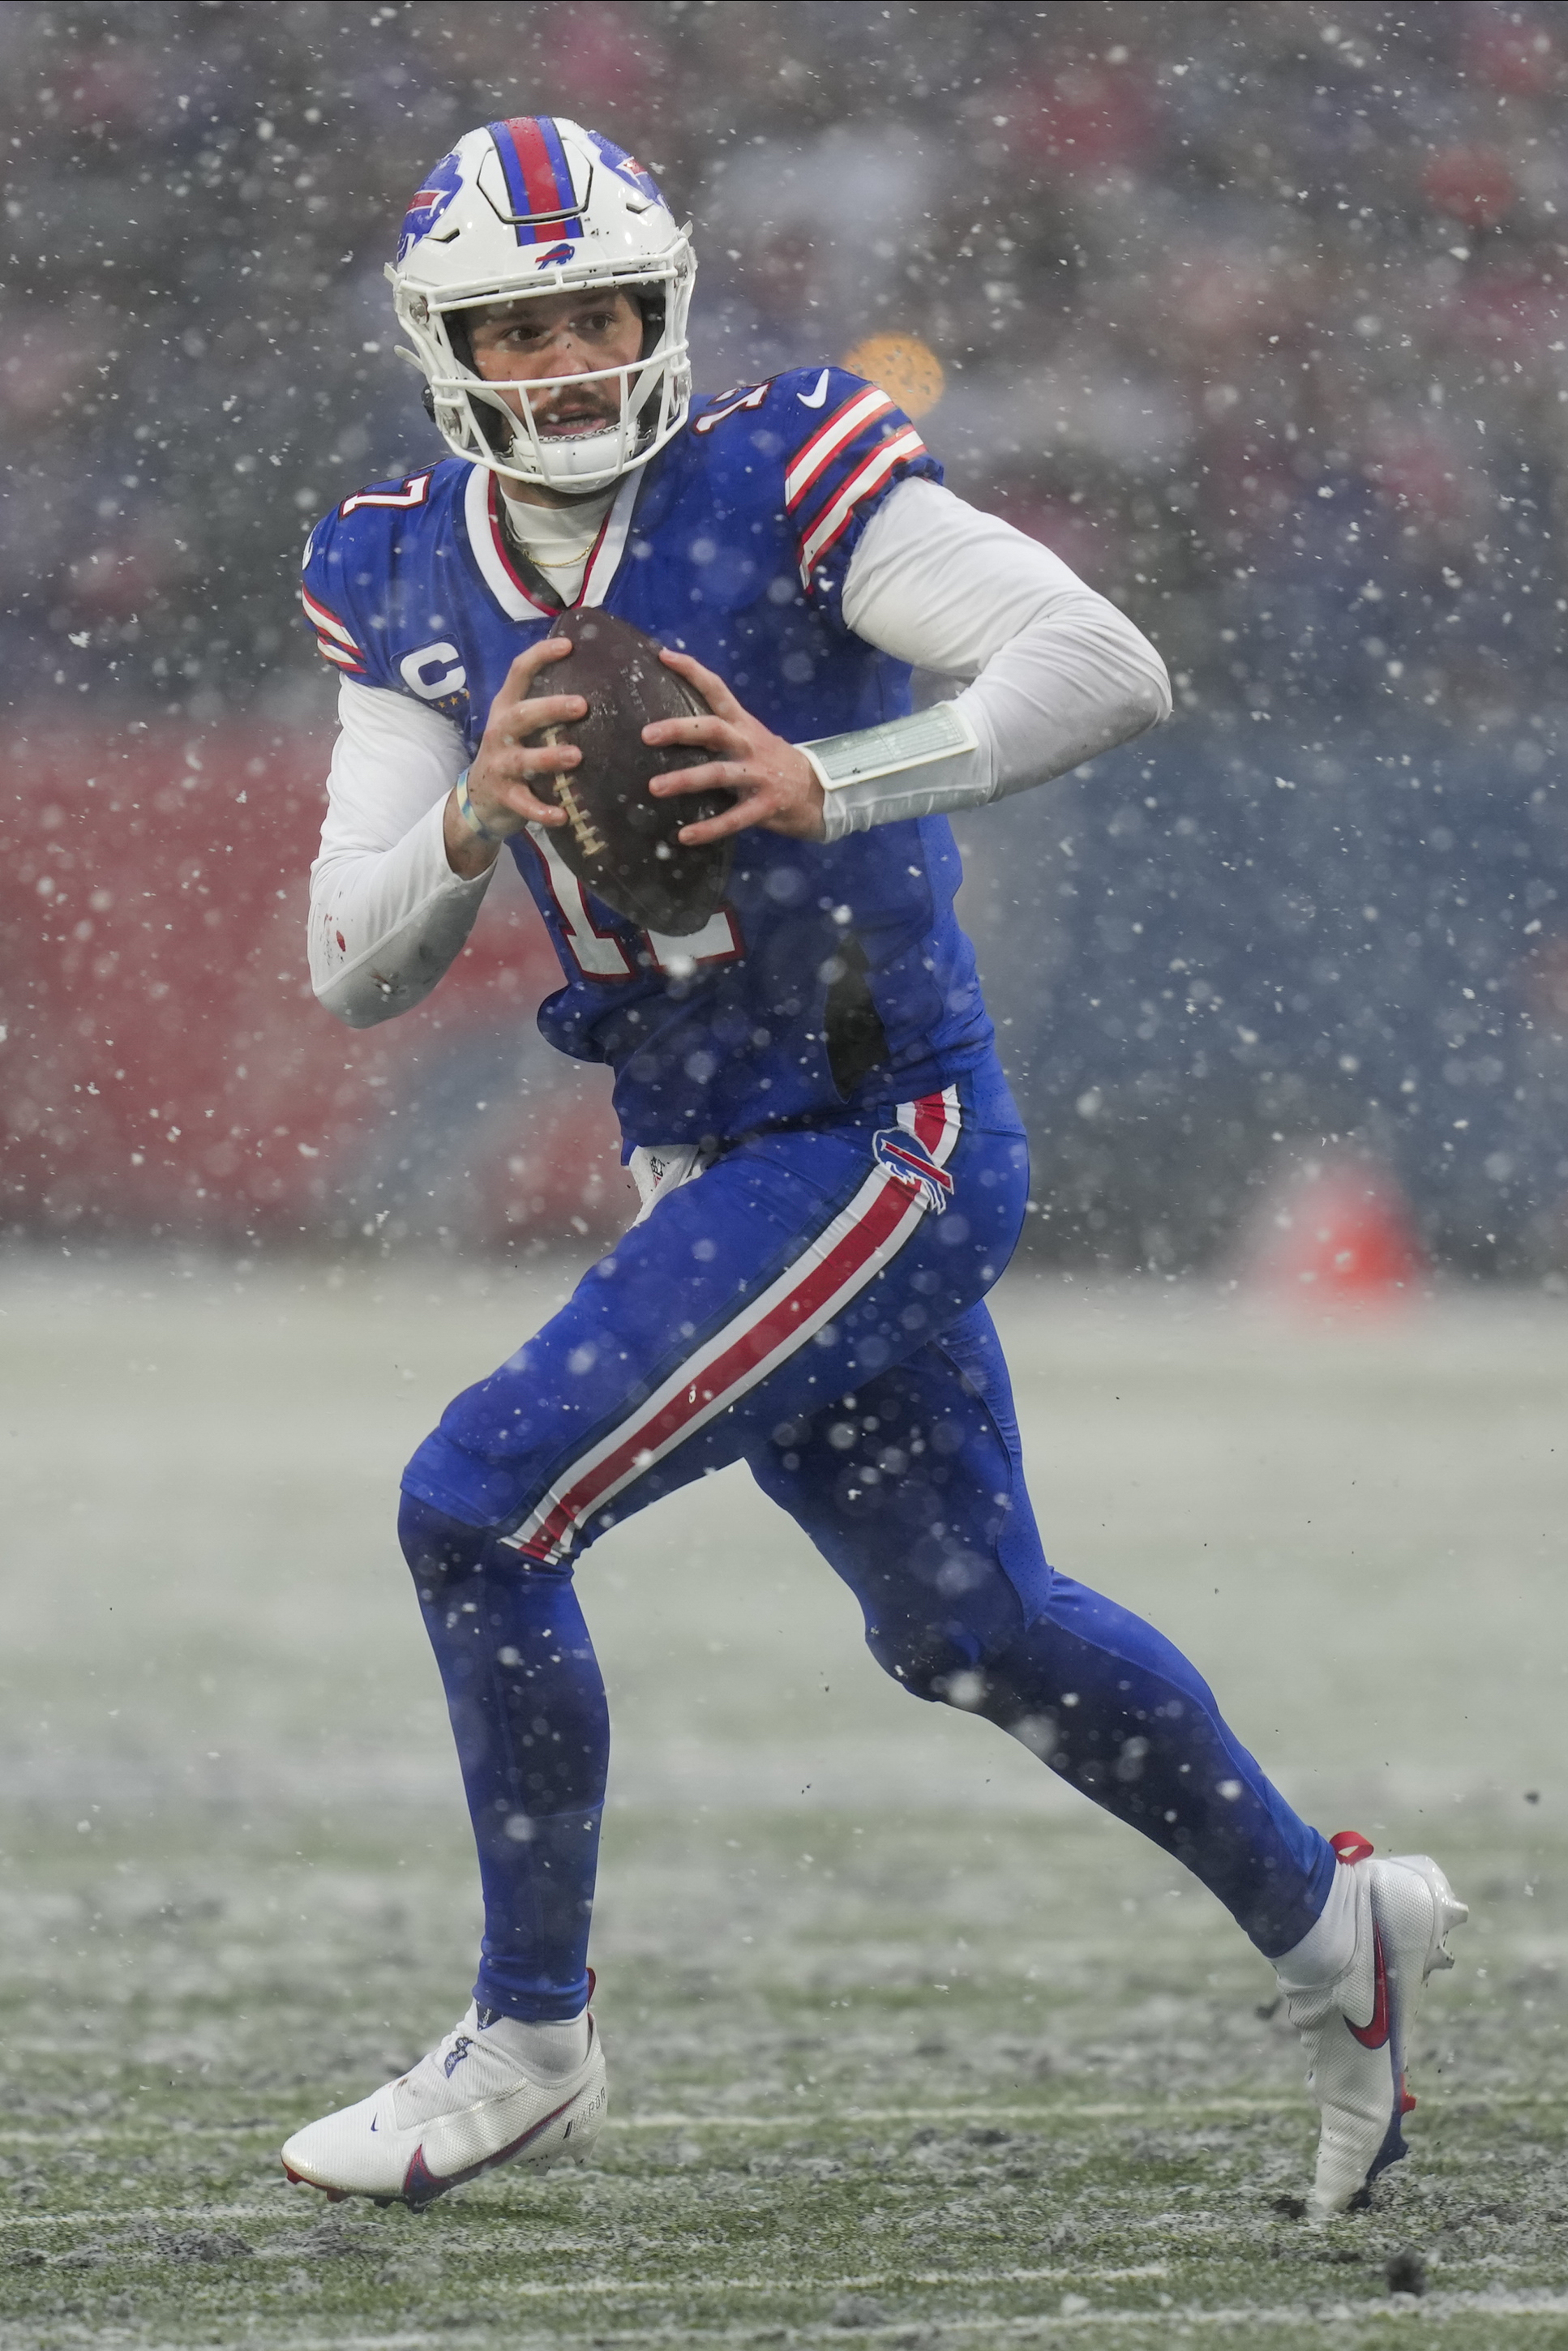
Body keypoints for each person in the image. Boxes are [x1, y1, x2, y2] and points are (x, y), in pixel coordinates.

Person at [282, 116, 1465, 2220]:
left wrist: (826, 772)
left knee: (479, 1500)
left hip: (877, 1127)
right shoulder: (400, 567)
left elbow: (1102, 658)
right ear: (448, 344)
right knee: (972, 1622)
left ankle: (530, 2035)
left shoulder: (779, 470)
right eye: (519, 324)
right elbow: (350, 958)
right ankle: (1328, 1924)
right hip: (707, 1149)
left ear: (663, 311)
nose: (564, 359)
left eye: (598, 313)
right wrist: (472, 827)